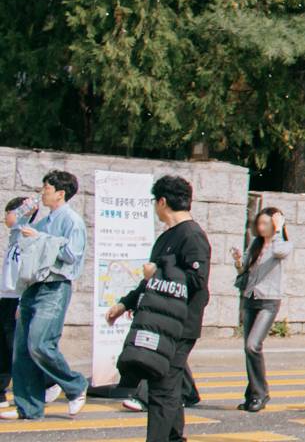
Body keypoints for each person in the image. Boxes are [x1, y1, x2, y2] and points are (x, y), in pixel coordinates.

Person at [100, 176, 210, 442]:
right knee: (167, 384)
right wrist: (125, 303)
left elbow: (197, 281)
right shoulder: (166, 237)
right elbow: (150, 281)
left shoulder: (192, 235)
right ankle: (173, 437)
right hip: (160, 322)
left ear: (162, 201)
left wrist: (160, 270)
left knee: (162, 386)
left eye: (155, 202)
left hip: (180, 325)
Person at [1, 171, 90, 421]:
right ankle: (28, 408)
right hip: (32, 286)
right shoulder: (45, 219)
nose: (43, 192)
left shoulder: (72, 220)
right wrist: (24, 215)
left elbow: (73, 254)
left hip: (54, 286)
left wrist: (43, 239)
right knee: (22, 350)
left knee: (40, 343)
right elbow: (17, 233)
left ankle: (74, 385)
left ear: (61, 193)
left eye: (47, 188)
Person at [234, 207, 292, 412]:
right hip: (250, 298)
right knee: (248, 349)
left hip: (269, 301)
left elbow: (279, 252)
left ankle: (260, 393)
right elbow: (244, 269)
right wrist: (238, 260)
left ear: (274, 225)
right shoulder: (255, 243)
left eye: (266, 223)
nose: (261, 227)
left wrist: (278, 229)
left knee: (253, 345)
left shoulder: (282, 244)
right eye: (259, 223)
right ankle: (253, 395)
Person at [0, 197, 25, 410]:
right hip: (6, 297)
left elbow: (26, 273)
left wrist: (22, 302)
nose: (5, 216)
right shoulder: (14, 237)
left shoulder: (26, 237)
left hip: (17, 298)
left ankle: (49, 382)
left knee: (13, 346)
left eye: (9, 212)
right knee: (4, 346)